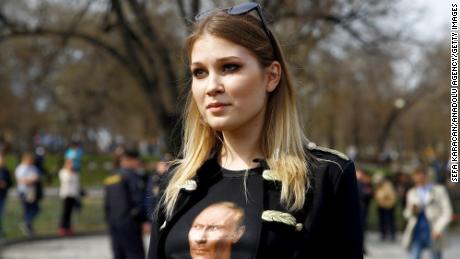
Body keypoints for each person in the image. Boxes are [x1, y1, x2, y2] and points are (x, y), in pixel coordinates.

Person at [147, 2, 362, 259]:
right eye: (200, 72)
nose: (211, 86)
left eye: (229, 67)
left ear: (271, 76)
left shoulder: (326, 176)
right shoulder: (178, 180)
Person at [104, 148, 149, 259]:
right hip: (130, 223)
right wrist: (143, 220)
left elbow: (106, 204)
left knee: (119, 254)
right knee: (135, 254)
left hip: (114, 223)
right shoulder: (132, 176)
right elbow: (138, 200)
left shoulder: (110, 177)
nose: (138, 163)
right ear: (130, 160)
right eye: (137, 160)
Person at [402, 167, 453, 259]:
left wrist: (438, 228)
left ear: (426, 177)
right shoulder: (412, 192)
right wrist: (412, 210)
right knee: (414, 256)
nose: (419, 180)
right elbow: (407, 214)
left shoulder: (439, 190)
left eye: (421, 177)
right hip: (417, 230)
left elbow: (447, 212)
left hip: (433, 228)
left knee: (435, 256)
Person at [14, 152, 41, 236]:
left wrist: (31, 180)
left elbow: (37, 177)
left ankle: (28, 224)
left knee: (35, 209)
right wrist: (30, 180)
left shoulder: (33, 168)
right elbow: (21, 180)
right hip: (24, 191)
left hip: (32, 191)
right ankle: (27, 226)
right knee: (27, 209)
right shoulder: (20, 168)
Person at [58, 159, 80, 236]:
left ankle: (69, 227)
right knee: (65, 213)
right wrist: (69, 171)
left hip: (73, 194)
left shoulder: (75, 173)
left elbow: (77, 184)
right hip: (66, 194)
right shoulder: (63, 172)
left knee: (71, 213)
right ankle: (62, 227)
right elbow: (66, 180)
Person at [374, 174, 397, 241]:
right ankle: (383, 234)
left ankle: (392, 235)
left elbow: (389, 195)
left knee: (390, 221)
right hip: (381, 206)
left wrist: (382, 197)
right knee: (382, 221)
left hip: (389, 206)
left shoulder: (387, 185)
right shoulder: (378, 186)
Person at [0, 152, 12, 238]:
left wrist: (5, 184)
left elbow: (10, 183)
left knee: (1, 214)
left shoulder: (5, 171)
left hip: (2, 195)